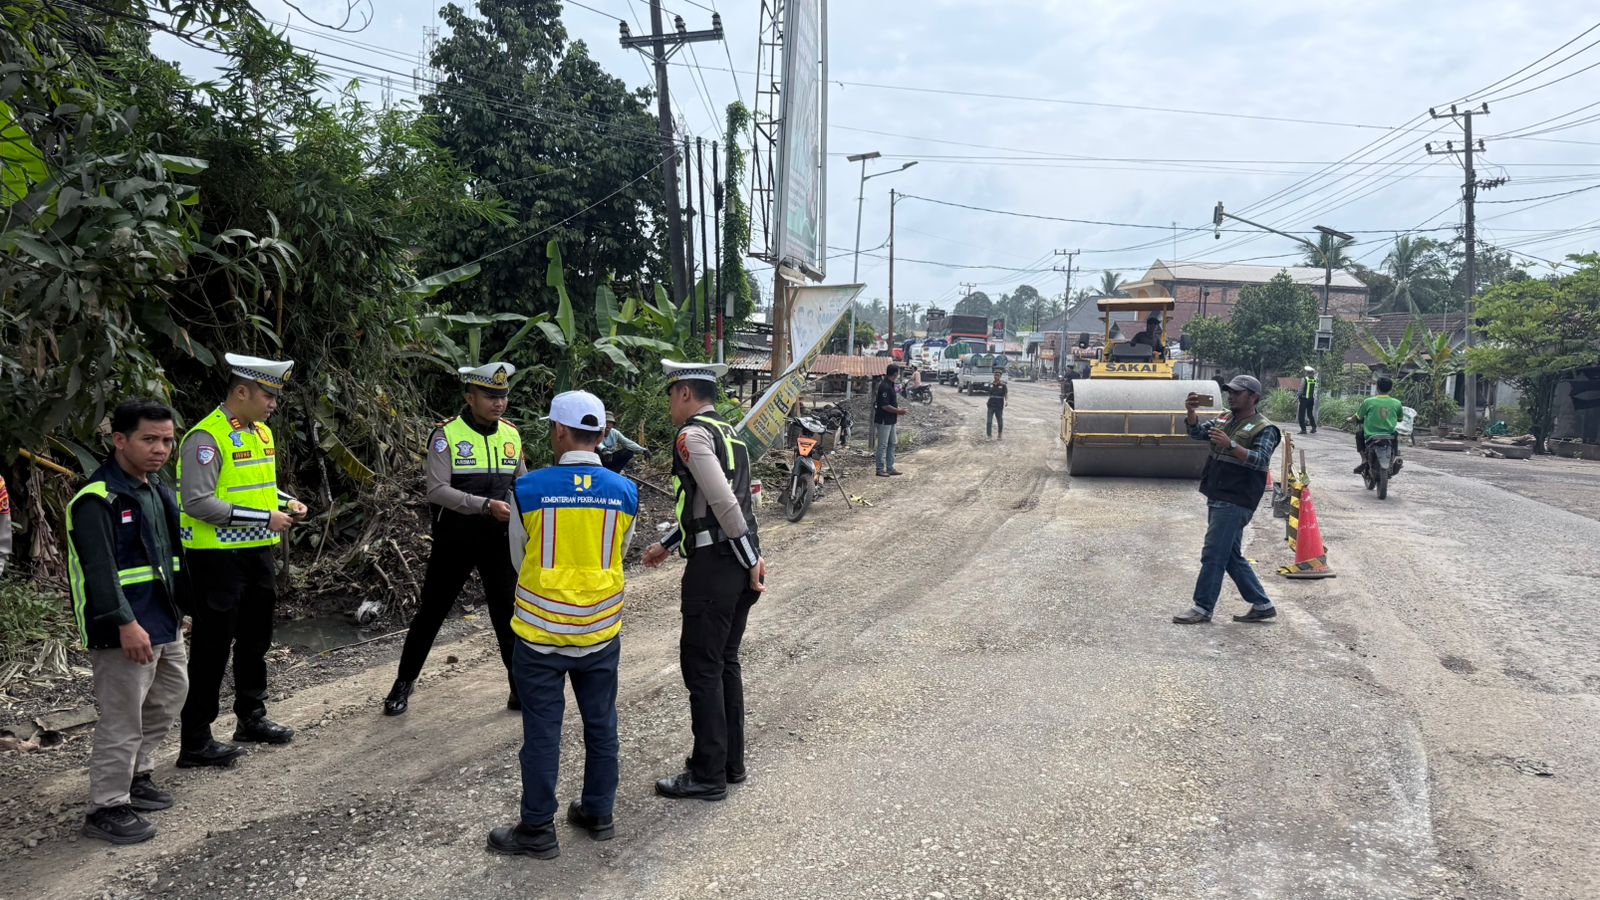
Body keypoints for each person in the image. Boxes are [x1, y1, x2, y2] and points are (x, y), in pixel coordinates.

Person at [487, 391, 638, 860]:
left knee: (542, 733)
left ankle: (537, 829)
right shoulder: (624, 492)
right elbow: (620, 552)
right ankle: (598, 813)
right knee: (601, 724)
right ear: (601, 434)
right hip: (599, 631)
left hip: (539, 635)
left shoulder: (528, 489)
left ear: (558, 431)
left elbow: (519, 558)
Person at [641, 360, 766, 802]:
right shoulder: (732, 435)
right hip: (736, 561)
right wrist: (669, 543)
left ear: (685, 394)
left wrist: (749, 559)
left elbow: (723, 502)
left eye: (671, 395)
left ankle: (707, 774)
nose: (670, 404)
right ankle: (730, 763)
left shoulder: (691, 436)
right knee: (725, 661)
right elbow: (713, 509)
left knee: (703, 668)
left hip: (717, 567)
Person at [68, 401, 190, 844]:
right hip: (124, 628)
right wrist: (125, 622)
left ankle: (137, 775)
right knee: (123, 718)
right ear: (119, 440)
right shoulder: (97, 499)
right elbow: (99, 572)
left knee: (169, 697)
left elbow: (170, 557)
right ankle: (107, 806)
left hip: (163, 619)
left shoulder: (155, 489)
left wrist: (183, 608)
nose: (161, 449)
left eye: (167, 440)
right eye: (149, 439)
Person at [177, 354, 306, 767]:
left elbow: (258, 490)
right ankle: (196, 740)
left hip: (256, 553)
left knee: (255, 639)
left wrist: (286, 502)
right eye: (268, 396)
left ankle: (251, 717)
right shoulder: (205, 438)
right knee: (212, 648)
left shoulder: (261, 433)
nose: (273, 404)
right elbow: (198, 502)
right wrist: (266, 518)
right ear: (242, 392)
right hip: (215, 558)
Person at [385, 363, 525, 716]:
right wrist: (484, 505)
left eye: (503, 396)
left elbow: (522, 483)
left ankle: (519, 687)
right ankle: (403, 682)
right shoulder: (446, 434)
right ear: (470, 397)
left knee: (507, 614)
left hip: (499, 540)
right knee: (431, 612)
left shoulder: (511, 434)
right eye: (490, 396)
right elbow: (437, 490)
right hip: (455, 540)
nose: (498, 403)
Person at [1172, 374, 1281, 626]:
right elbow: (1197, 433)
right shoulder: (1225, 418)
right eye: (1229, 392)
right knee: (1229, 554)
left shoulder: (1265, 428)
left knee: (1213, 553)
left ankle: (1202, 607)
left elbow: (1260, 460)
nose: (1231, 396)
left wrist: (1231, 445)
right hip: (1218, 492)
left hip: (1236, 498)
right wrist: (1191, 413)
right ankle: (1262, 604)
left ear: (1253, 398)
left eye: (1237, 393)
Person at [1352, 375, 1405, 474]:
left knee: (1359, 434)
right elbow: (1400, 419)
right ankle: (1393, 458)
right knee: (1395, 436)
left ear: (1377, 387)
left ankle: (1364, 459)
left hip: (1371, 435)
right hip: (1389, 435)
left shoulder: (1368, 402)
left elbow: (1358, 417)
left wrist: (1351, 419)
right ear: (1391, 388)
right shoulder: (1397, 403)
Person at [874, 363, 908, 477]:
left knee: (892, 443)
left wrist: (899, 409)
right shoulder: (884, 386)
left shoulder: (891, 384)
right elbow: (884, 405)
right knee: (883, 445)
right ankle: (879, 469)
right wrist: (898, 411)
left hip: (891, 419)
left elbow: (890, 403)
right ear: (895, 374)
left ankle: (890, 468)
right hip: (884, 420)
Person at [986, 369, 1008, 440]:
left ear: (1000, 376)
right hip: (991, 405)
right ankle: (989, 435)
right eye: (995, 375)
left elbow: (1005, 394)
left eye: (998, 375)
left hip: (999, 405)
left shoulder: (1003, 385)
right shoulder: (990, 384)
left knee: (999, 421)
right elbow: (988, 393)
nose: (996, 376)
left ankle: (999, 434)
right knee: (989, 421)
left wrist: (1006, 401)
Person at [1299, 366, 1319, 434]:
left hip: (1304, 399)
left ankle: (1303, 430)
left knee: (1301, 414)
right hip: (1311, 399)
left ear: (1307, 373)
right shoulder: (1315, 379)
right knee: (1310, 413)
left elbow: (1301, 389)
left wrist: (1298, 396)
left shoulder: (1304, 379)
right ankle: (1314, 427)